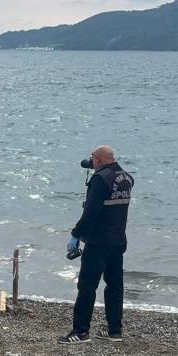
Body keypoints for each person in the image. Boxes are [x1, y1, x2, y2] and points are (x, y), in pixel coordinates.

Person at [58, 145, 134, 344]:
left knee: (87, 286)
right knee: (115, 286)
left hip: (99, 242)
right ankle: (114, 330)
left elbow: (90, 213)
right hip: (118, 240)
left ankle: (80, 331)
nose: (91, 162)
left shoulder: (100, 180)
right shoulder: (126, 178)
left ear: (100, 159)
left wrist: (75, 235)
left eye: (92, 158)